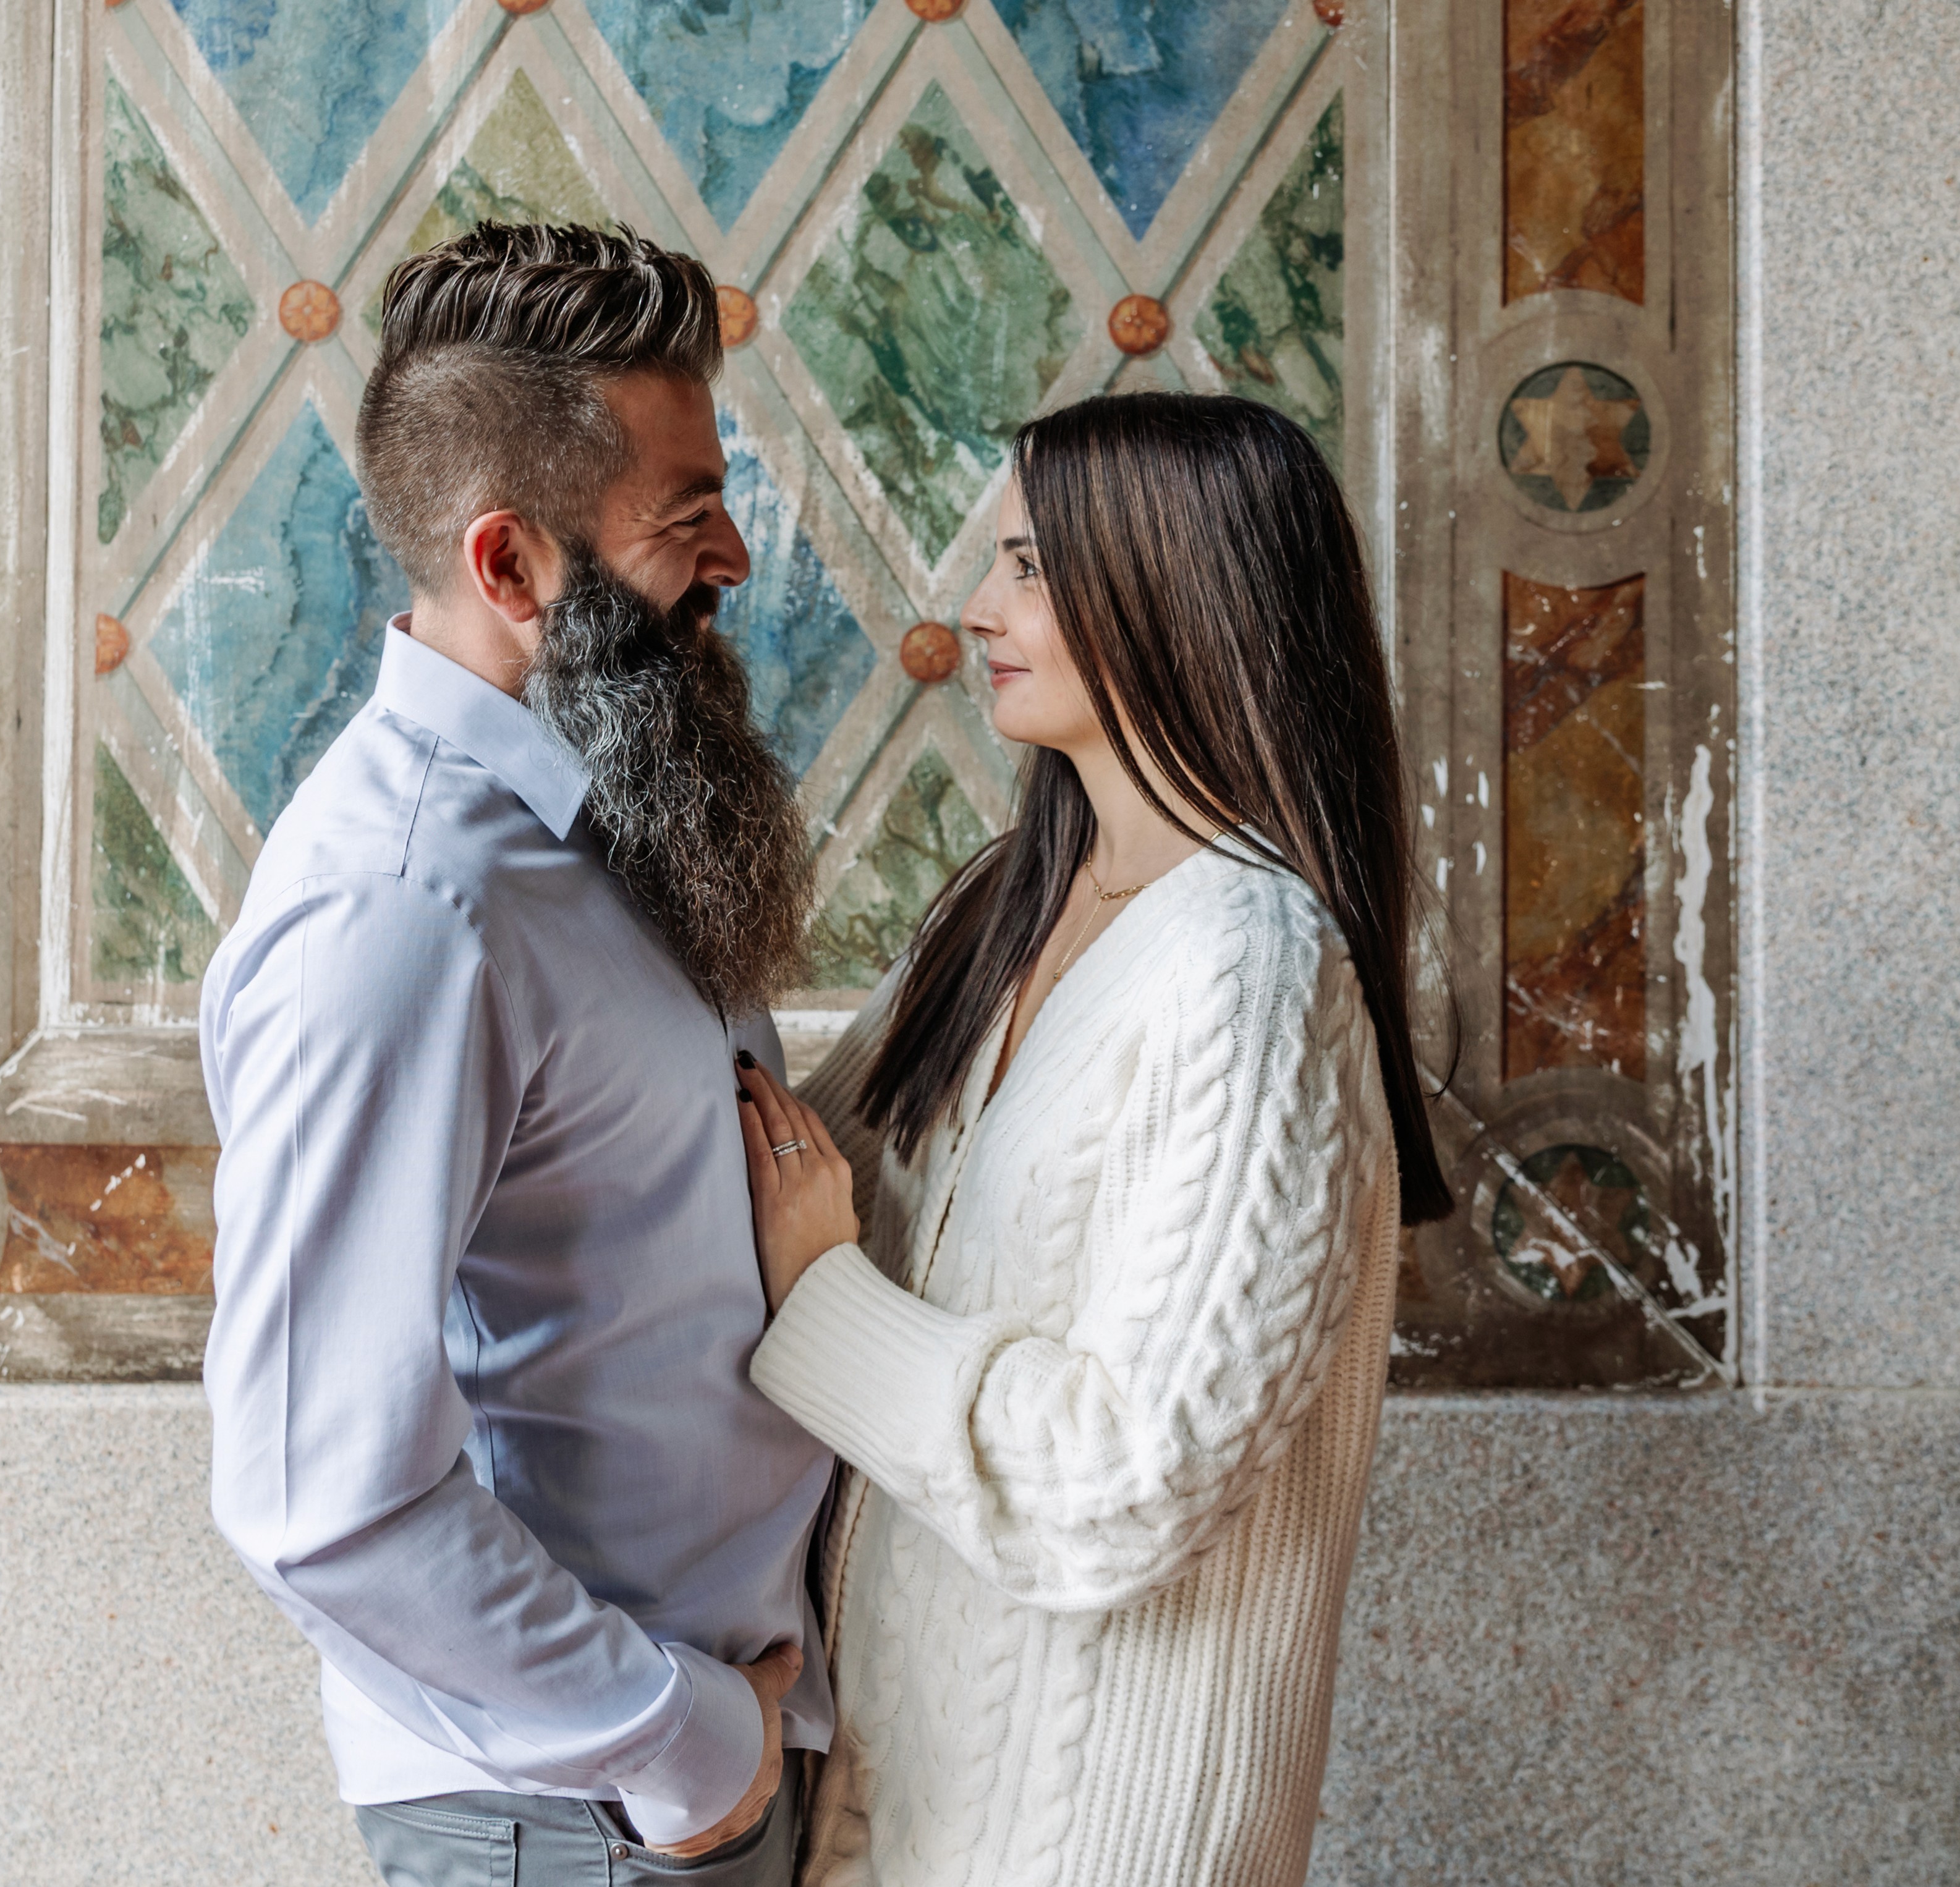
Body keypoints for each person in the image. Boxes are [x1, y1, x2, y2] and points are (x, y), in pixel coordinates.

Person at [734, 391, 1455, 1887]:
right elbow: (774, 1175)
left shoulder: (1251, 970)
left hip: (1091, 1845)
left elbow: (1125, 1482)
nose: (977, 608)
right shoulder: (998, 910)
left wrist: (824, 1300)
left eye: (1029, 567)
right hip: (883, 1806)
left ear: (1168, 588)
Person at [198, 223, 834, 1885]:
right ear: (508, 563)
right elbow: (310, 1492)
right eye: (683, 517)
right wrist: (685, 1746)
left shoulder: (600, 810)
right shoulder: (407, 908)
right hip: (582, 1822)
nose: (734, 559)